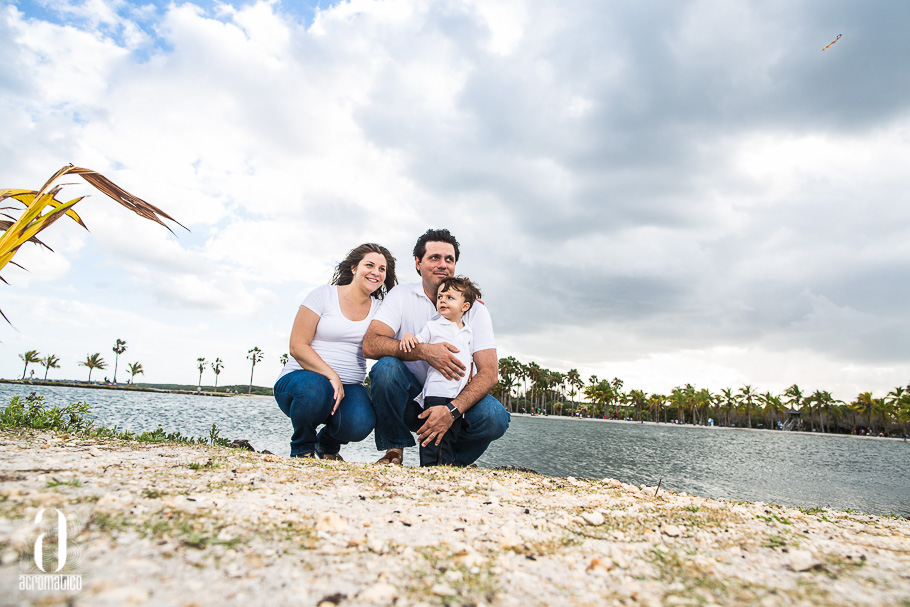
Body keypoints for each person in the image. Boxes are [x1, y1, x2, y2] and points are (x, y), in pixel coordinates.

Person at [363, 228, 509, 466]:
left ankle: (451, 462)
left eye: (449, 259)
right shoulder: (401, 295)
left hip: (454, 399)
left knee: (494, 417)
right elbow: (370, 344)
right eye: (434, 258)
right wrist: (425, 352)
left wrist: (452, 410)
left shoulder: (475, 309)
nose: (443, 264)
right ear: (418, 263)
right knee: (386, 368)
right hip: (411, 398)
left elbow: (490, 372)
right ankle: (393, 452)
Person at [274, 243, 397, 459]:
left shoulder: (381, 309)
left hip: (350, 386)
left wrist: (466, 305)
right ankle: (303, 449)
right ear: (353, 268)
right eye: (369, 265)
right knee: (316, 388)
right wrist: (331, 375)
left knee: (360, 423)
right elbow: (297, 346)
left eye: (382, 269)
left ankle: (326, 446)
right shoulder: (323, 295)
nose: (376, 273)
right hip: (301, 382)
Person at [399, 276, 482, 466]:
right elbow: (416, 343)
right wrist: (408, 335)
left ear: (465, 307)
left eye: (450, 297)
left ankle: (445, 466)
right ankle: (428, 467)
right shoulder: (433, 326)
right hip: (437, 391)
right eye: (440, 296)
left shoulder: (468, 331)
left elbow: (469, 359)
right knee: (432, 433)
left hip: (458, 396)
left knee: (450, 434)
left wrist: (470, 376)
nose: (442, 300)